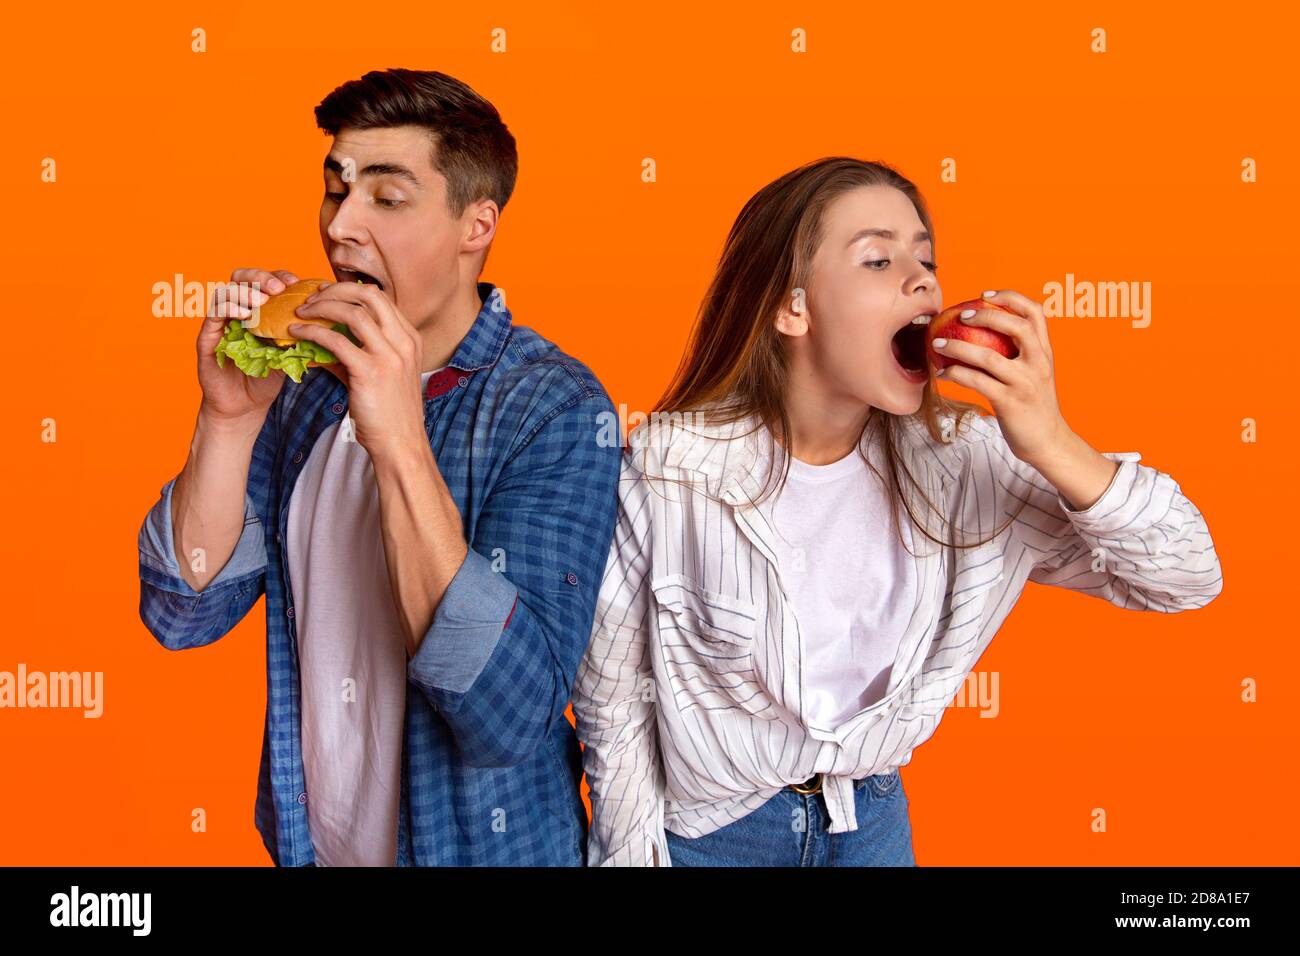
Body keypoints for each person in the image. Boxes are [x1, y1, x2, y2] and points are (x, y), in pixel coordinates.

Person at [572, 156, 1223, 867]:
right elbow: (613, 700)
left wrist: (1053, 441)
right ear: (793, 308)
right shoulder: (671, 469)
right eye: (878, 260)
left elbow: (1187, 577)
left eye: (927, 259)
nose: (923, 281)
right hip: (714, 837)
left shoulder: (969, 461)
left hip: (872, 827)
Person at [136, 68, 621, 866]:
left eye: (387, 199)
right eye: (336, 191)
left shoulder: (557, 409)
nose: (341, 228)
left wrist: (399, 438)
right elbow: (182, 615)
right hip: (308, 849)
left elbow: (509, 715)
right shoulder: (305, 392)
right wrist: (230, 419)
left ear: (477, 225)